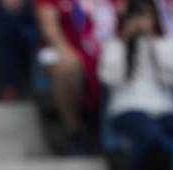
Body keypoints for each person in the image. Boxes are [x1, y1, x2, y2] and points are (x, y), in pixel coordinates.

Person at [99, 0, 173, 170]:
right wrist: (125, 41)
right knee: (153, 137)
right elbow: (109, 79)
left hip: (163, 107)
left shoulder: (165, 43)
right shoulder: (114, 44)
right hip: (128, 107)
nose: (140, 21)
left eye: (145, 15)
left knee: (162, 140)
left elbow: (169, 78)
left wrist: (154, 42)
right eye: (135, 16)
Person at [35, 0, 123, 150]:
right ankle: (73, 129)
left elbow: (125, 14)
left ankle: (115, 138)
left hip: (108, 46)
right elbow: (48, 25)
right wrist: (64, 50)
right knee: (67, 67)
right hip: (69, 46)